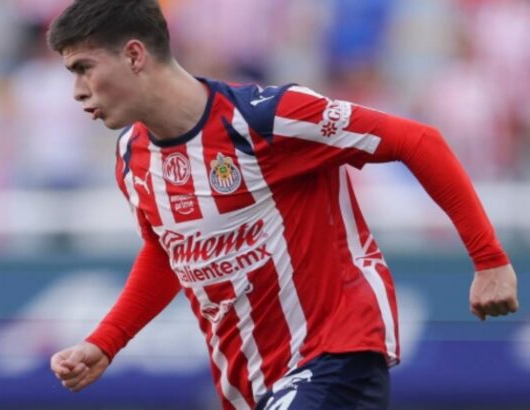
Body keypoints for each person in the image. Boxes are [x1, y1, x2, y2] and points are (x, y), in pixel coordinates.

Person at [46, 1, 519, 409]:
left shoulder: (268, 118)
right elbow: (168, 252)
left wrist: (489, 259)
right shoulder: (132, 157)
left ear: (134, 55)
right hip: (252, 384)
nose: (77, 91)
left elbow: (418, 141)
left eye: (84, 68)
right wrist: (106, 342)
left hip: (334, 354)